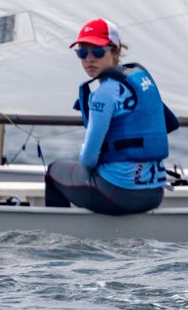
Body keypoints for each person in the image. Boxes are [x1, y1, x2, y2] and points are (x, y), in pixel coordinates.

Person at [44, 18, 177, 214]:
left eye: (97, 51)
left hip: (118, 195)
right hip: (154, 194)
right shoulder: (139, 83)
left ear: (115, 51)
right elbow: (171, 123)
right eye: (82, 52)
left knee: (53, 171)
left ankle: (58, 231)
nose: (89, 59)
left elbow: (88, 159)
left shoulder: (104, 93)